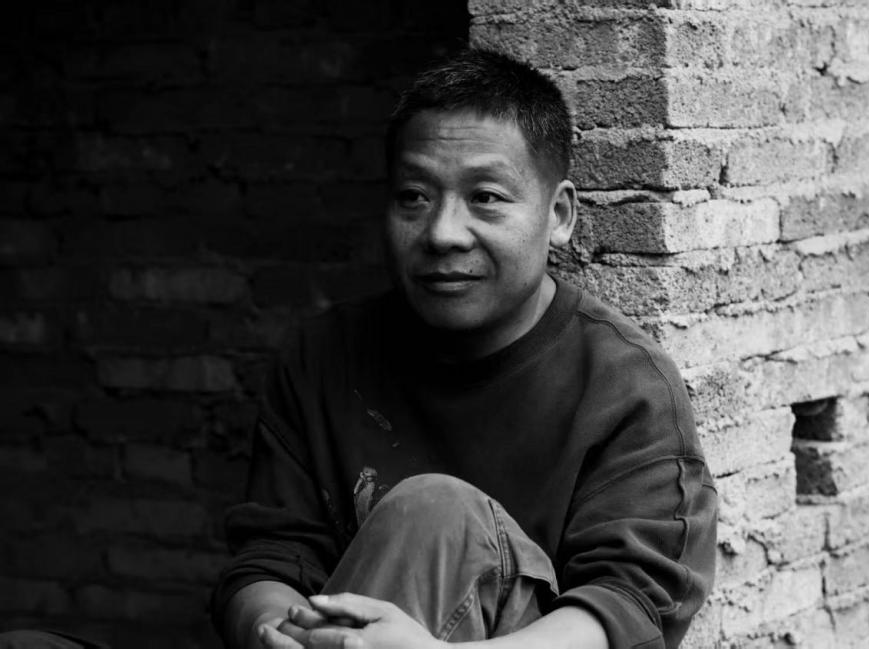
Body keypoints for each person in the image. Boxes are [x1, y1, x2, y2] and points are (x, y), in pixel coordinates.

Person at [211, 49, 718, 649]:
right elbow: (271, 557)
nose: (442, 234)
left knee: (437, 512)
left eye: (486, 197)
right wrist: (270, 630)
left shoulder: (623, 385)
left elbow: (631, 606)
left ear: (558, 215)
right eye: (414, 197)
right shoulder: (322, 358)